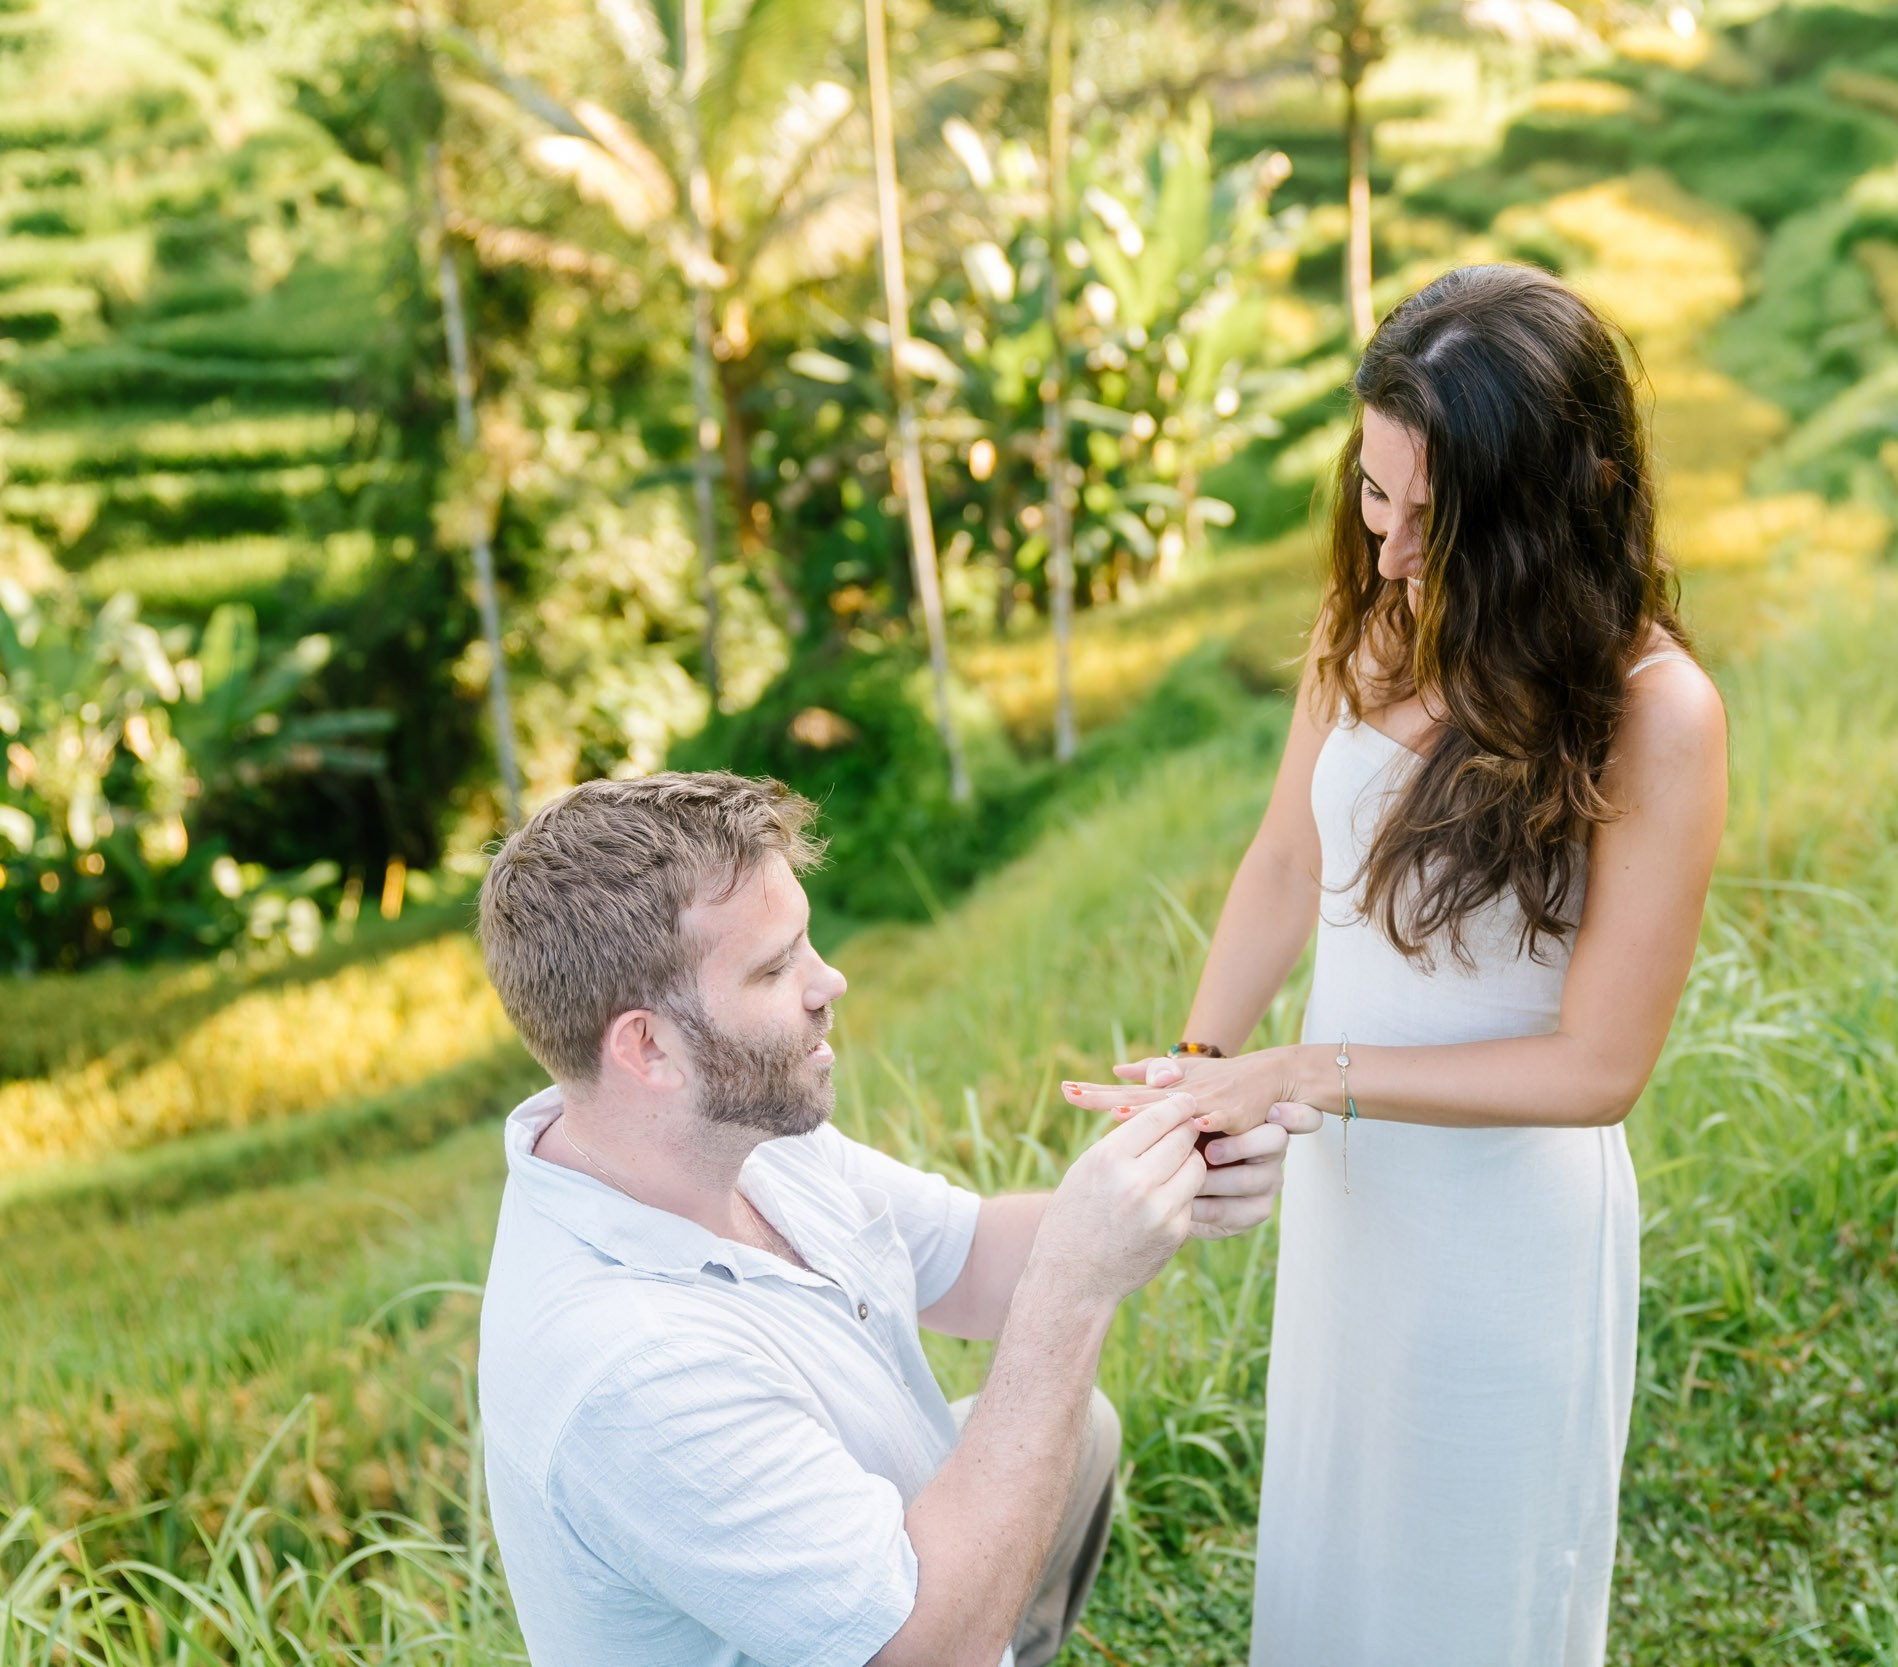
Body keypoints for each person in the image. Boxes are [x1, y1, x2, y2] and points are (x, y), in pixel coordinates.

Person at [1063, 263, 1728, 1665]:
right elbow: (1289, 865)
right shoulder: (1372, 621)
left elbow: (1600, 1068)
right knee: (1337, 1571)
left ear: (1561, 501)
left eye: (1436, 516)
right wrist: (1199, 1069)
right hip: (1356, 1197)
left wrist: (1303, 1069)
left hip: (1503, 1233)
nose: (1393, 545)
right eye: (1375, 492)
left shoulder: (1655, 713)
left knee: (1467, 1595)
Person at [472, 771, 1307, 1667]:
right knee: (1016, 1481)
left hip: (902, 1608)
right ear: (647, 1047)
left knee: (1080, 1429)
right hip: (915, 1648)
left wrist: (1168, 1178)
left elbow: (978, 1259)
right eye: (773, 965)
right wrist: (1075, 1282)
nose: (829, 979)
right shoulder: (627, 1370)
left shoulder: (721, 1130)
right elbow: (923, 1653)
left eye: (805, 940)